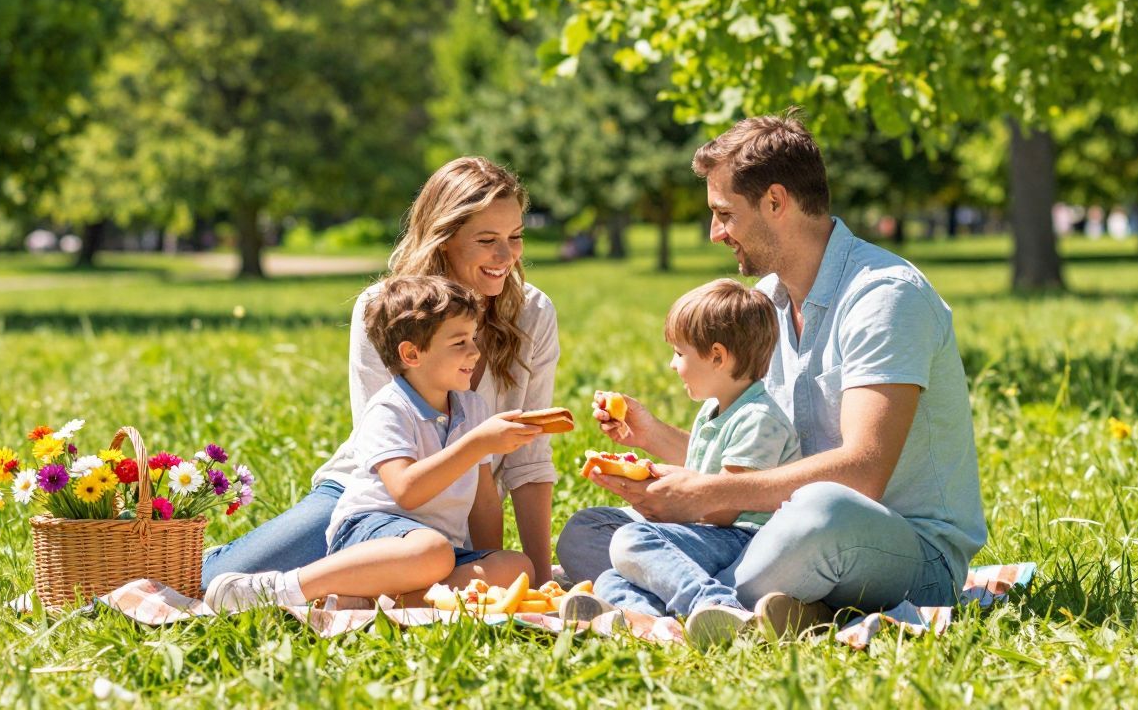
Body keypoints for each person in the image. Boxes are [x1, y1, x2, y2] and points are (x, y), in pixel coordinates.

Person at [557, 113, 986, 634]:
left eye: (725, 214)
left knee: (822, 509)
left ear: (776, 202)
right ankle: (767, 608)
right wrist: (656, 441)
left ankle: (663, 598)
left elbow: (863, 473)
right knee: (592, 530)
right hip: (771, 533)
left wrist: (706, 495)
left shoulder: (884, 297)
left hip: (900, 548)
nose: (715, 233)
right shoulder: (764, 304)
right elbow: (753, 459)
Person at [202, 157, 562, 587]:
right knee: (215, 578)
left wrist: (540, 583)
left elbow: (528, 463)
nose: (506, 256)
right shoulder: (385, 312)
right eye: (487, 240)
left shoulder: (532, 313)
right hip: (369, 502)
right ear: (443, 239)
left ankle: (361, 592)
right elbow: (388, 461)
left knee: (506, 570)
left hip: (452, 515)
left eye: (516, 236)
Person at [205, 276, 536, 608]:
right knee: (432, 552)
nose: (475, 352)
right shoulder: (389, 409)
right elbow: (406, 491)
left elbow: (484, 502)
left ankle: (369, 601)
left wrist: (490, 563)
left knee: (516, 568)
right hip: (369, 533)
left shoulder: (472, 408)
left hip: (433, 549)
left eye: (473, 338)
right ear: (412, 353)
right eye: (459, 342)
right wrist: (477, 444)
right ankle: (285, 588)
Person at [578, 278, 802, 644]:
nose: (672, 364)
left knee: (632, 540)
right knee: (611, 578)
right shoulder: (714, 410)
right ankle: (656, 628)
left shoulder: (758, 418)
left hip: (743, 540)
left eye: (679, 354)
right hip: (714, 535)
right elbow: (701, 481)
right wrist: (650, 478)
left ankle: (719, 607)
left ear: (717, 357)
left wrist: (664, 496)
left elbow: (723, 509)